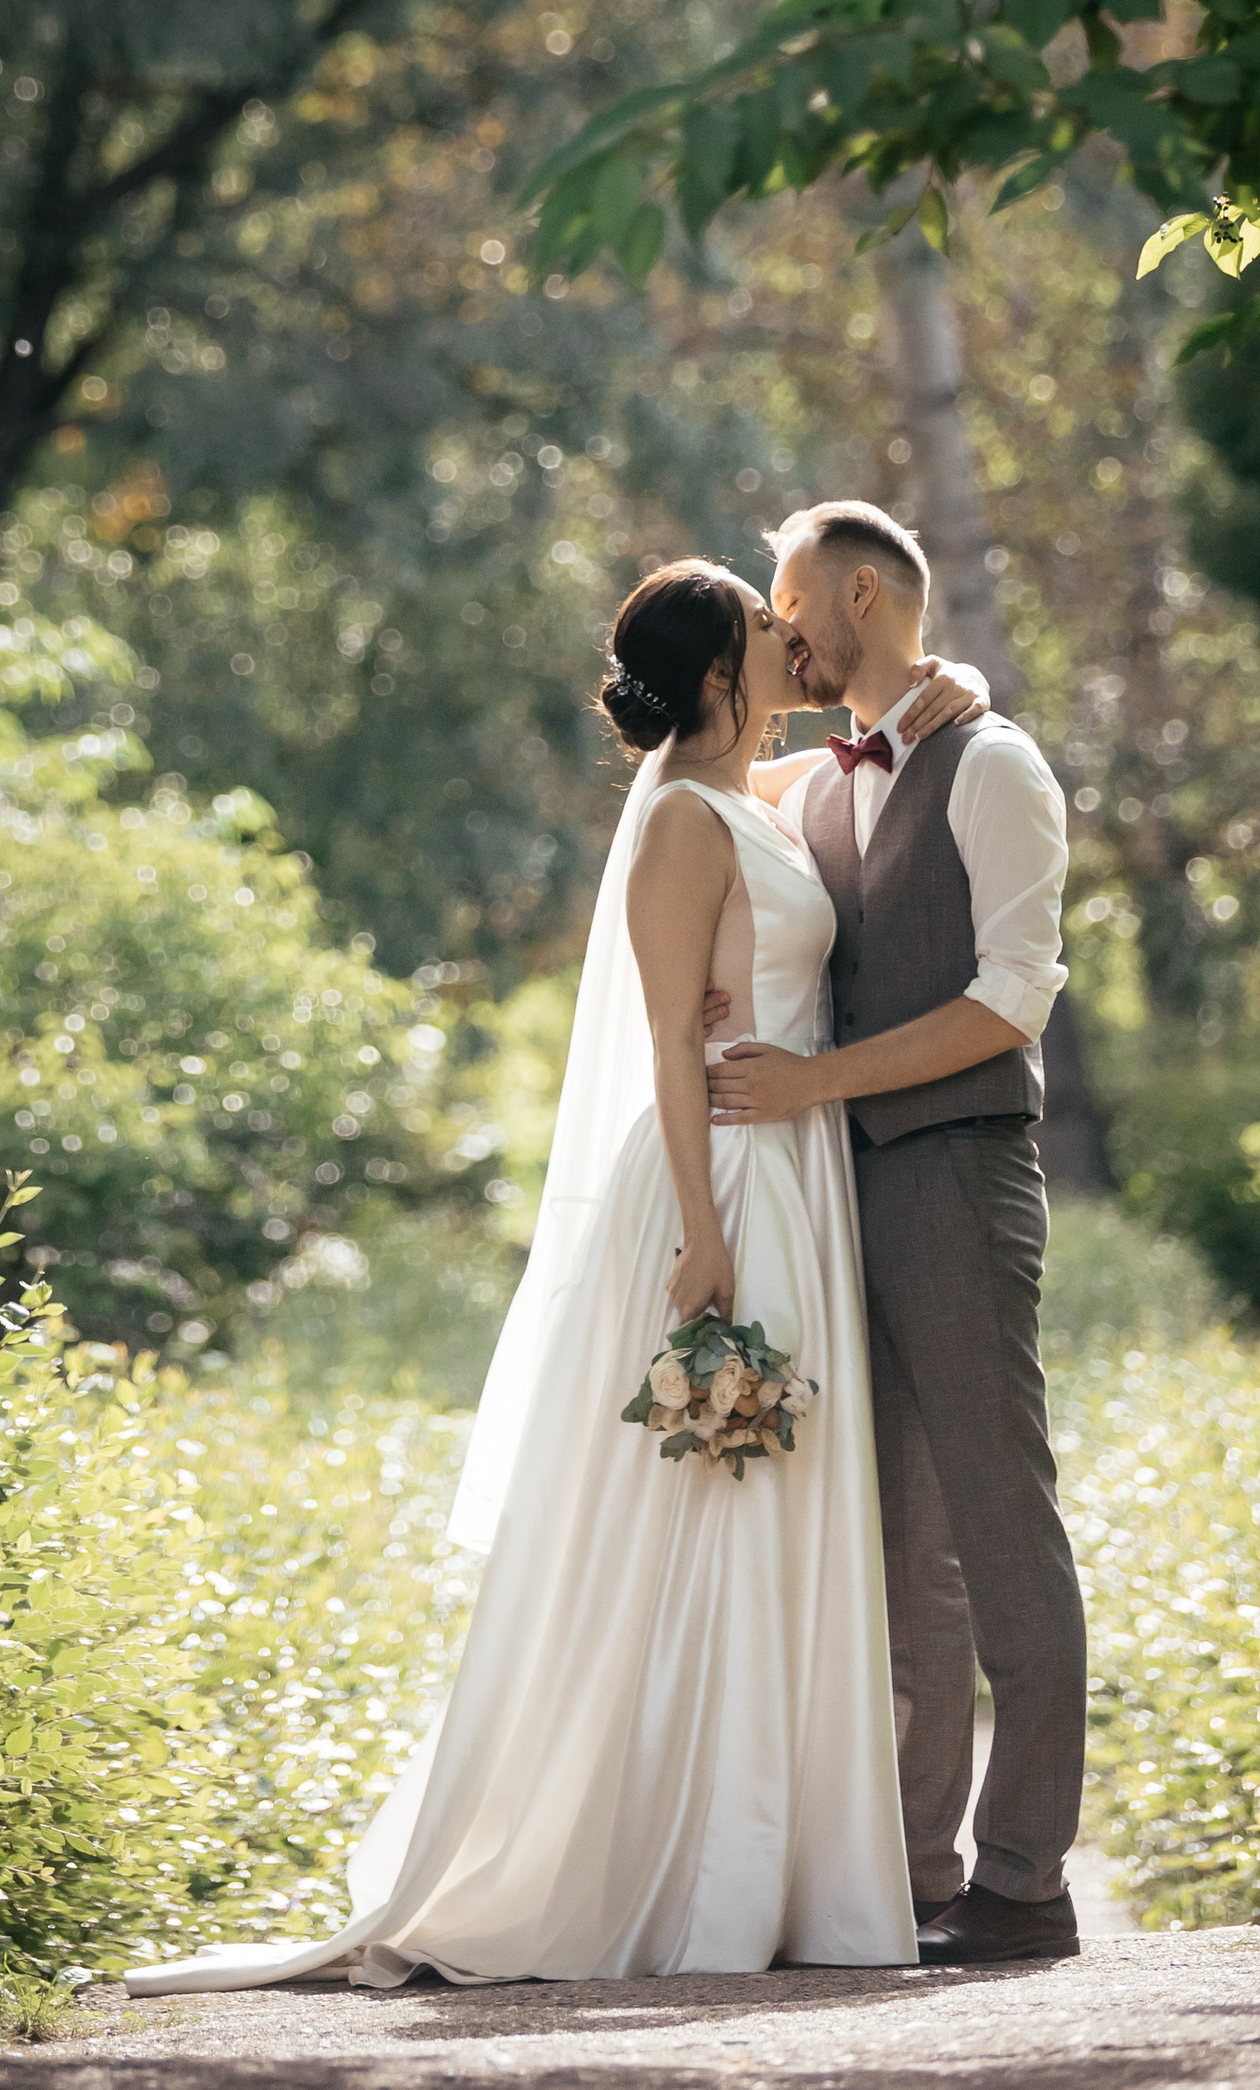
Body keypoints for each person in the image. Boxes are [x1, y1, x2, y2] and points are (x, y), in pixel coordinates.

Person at [127, 558, 986, 1996]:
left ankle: (778, 1859)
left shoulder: (749, 798)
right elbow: (667, 1047)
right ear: (716, 676)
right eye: (763, 627)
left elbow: (848, 776)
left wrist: (942, 696)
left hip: (799, 1172)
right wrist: (702, 1232)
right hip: (726, 1177)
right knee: (712, 1502)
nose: (790, 636)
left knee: (779, 1500)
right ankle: (683, 1859)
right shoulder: (679, 828)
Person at [706, 498, 1084, 1971]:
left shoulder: (998, 767)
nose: (781, 627)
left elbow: (1010, 1000)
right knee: (902, 1550)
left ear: (862, 596)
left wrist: (816, 1084)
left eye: (790, 600)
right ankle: (923, 1876)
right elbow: (699, 786)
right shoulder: (823, 780)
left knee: (1000, 1526)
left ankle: (1028, 1882)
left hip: (960, 1183)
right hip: (837, 1198)